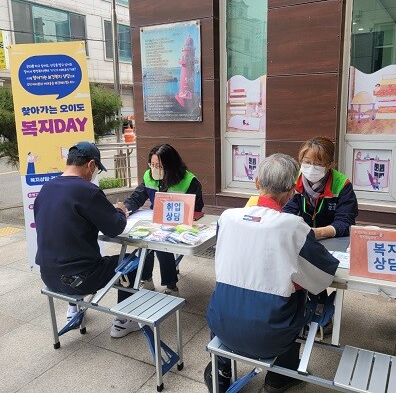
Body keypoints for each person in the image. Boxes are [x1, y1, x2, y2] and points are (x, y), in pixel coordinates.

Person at [204, 154, 339, 393]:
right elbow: (323, 276)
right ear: (291, 192)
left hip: (220, 324)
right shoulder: (293, 226)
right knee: (298, 296)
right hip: (271, 337)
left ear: (256, 182)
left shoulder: (226, 218)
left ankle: (220, 370)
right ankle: (279, 378)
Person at [34, 141, 140, 339]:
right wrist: (120, 210)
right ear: (91, 164)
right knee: (132, 262)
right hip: (80, 279)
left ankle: (74, 310)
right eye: (96, 169)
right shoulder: (87, 191)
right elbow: (115, 227)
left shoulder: (46, 189)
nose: (94, 174)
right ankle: (124, 321)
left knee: (73, 256)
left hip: (48, 275)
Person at [123, 144, 203, 296]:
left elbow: (198, 207)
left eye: (159, 166)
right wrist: (125, 209)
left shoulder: (188, 181)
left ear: (171, 166)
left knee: (160, 243)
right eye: (152, 165)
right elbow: (136, 198)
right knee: (143, 240)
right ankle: (146, 279)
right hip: (156, 219)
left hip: (180, 222)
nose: (154, 169)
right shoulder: (149, 176)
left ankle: (171, 285)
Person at [283, 136, 358, 240]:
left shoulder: (342, 184)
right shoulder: (294, 180)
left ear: (329, 165)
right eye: (307, 162)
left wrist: (319, 232)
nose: (311, 168)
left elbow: (345, 222)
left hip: (332, 239)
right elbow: (286, 212)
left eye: (318, 164)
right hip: (299, 239)